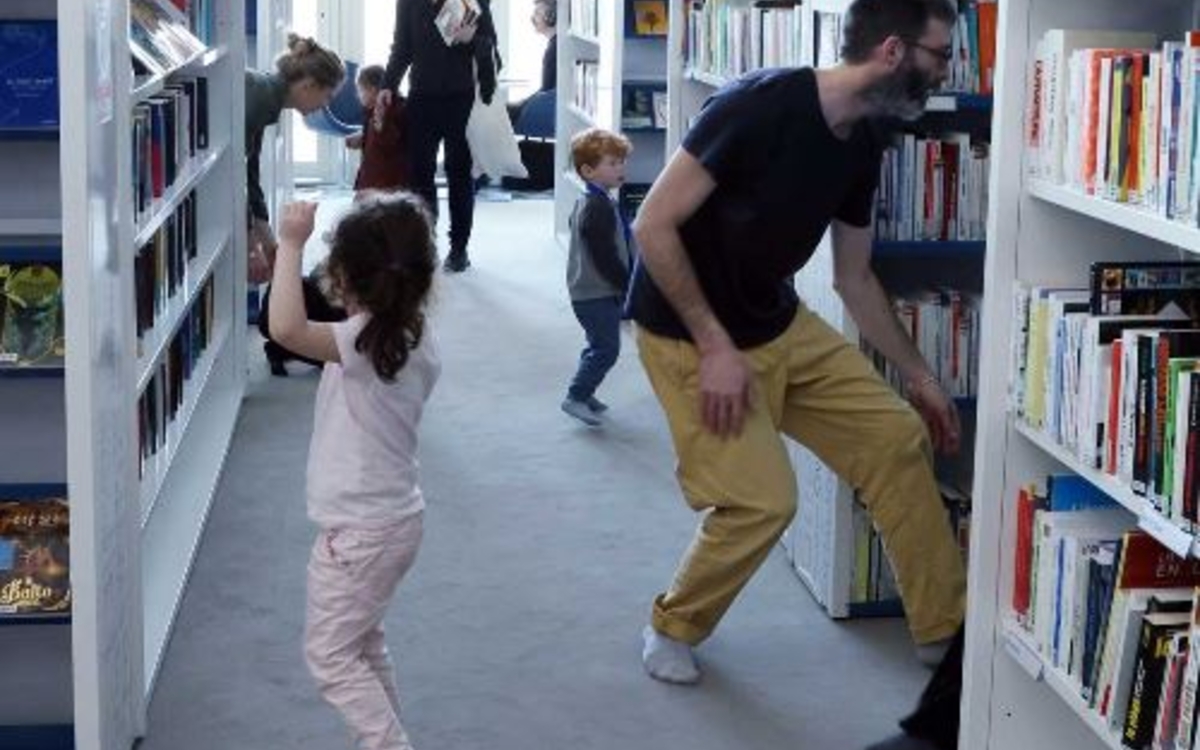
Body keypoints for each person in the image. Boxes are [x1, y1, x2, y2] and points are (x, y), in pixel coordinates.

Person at [625, 1, 966, 748]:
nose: (945, 75)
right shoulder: (759, 104)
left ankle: (947, 637)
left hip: (774, 322)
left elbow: (852, 278)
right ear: (890, 49)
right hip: (687, 332)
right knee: (761, 502)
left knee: (893, 436)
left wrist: (919, 375)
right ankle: (671, 625)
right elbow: (651, 223)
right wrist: (714, 345)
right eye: (940, 57)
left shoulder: (864, 137)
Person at [268, 193, 441, 750]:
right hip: (393, 521)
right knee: (363, 643)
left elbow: (287, 330)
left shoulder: (361, 346)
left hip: (358, 533)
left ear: (346, 277)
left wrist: (290, 244)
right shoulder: (408, 337)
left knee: (331, 655)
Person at [246, 33, 348, 376]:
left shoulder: (267, 98)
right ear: (307, 84)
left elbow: (249, 177)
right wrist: (252, 247)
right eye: (327, 95)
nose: (325, 106)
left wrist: (270, 243)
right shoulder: (259, 98)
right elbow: (236, 177)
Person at [379, 0, 499, 273]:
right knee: (419, 174)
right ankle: (425, 243)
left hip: (463, 99)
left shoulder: (474, 1)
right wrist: (388, 84)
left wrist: (471, 40)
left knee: (459, 174)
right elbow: (402, 47)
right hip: (421, 98)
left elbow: (492, 49)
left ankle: (459, 248)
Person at [561, 128, 634, 427]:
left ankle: (586, 390)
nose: (621, 169)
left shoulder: (592, 201)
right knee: (607, 348)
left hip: (590, 291)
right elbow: (604, 257)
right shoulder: (598, 208)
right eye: (612, 164)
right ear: (588, 171)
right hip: (596, 293)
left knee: (597, 343)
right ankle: (576, 396)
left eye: (621, 162)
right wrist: (626, 283)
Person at [346, 64, 410, 195]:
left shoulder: (388, 112)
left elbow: (391, 142)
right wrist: (362, 139)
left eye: (360, 90)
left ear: (373, 90)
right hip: (374, 178)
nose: (359, 96)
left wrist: (381, 128)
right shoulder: (373, 113)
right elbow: (376, 139)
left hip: (384, 182)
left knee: (371, 212)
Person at [507, 0, 557, 126]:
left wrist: (522, 104)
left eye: (537, 14)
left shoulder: (553, 50)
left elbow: (546, 91)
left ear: (551, 17)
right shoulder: (556, 44)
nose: (532, 18)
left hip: (547, 111)